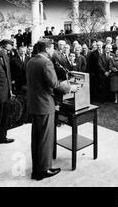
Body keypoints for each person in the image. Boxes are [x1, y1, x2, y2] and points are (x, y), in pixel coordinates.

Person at [26, 39, 79, 181]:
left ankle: (37, 168)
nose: (53, 51)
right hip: (44, 105)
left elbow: (42, 82)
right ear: (47, 49)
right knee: (45, 139)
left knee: (37, 138)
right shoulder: (46, 62)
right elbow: (55, 85)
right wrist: (70, 88)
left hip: (35, 104)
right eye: (52, 49)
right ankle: (43, 171)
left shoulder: (31, 61)